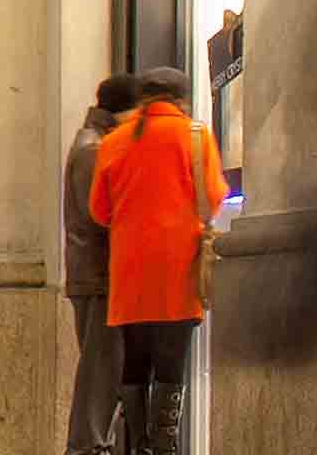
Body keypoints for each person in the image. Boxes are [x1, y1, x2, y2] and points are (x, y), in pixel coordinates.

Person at [86, 70, 229, 455]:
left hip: (130, 273)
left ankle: (139, 444)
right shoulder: (196, 137)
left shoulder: (114, 142)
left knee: (135, 361)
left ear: (144, 100)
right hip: (179, 270)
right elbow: (214, 197)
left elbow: (99, 211)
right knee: (171, 363)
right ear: (181, 99)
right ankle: (164, 446)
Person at [57, 75, 132, 455]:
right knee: (99, 375)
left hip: (94, 275)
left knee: (103, 372)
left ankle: (94, 444)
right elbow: (98, 215)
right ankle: (88, 447)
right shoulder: (94, 149)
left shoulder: (95, 143)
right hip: (97, 277)